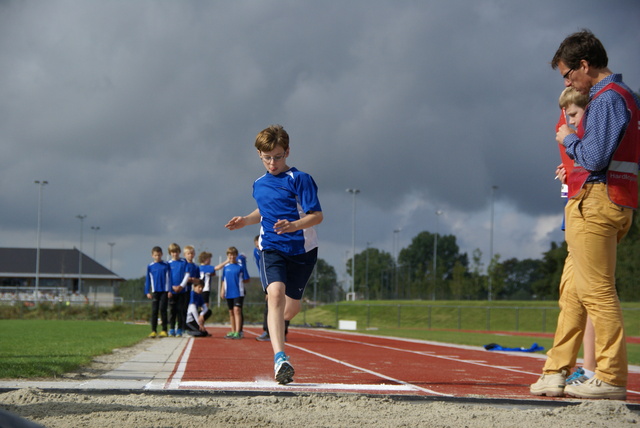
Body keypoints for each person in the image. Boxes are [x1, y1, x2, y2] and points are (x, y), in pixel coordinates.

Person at [530, 30, 640, 400]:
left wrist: (566, 140)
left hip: (596, 202)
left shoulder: (608, 99)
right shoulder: (630, 98)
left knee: (596, 293)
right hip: (616, 200)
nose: (566, 83)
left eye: (567, 74)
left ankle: (609, 377)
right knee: (573, 293)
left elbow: (594, 158)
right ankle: (555, 371)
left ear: (584, 65)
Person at [225, 124, 323, 385]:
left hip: (303, 250)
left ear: (287, 152)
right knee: (275, 294)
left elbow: (317, 216)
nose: (272, 163)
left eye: (277, 157)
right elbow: (263, 210)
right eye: (267, 157)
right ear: (259, 154)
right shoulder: (258, 184)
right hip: (271, 247)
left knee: (290, 310)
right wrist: (245, 220)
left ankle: (275, 319)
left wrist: (293, 225)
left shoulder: (300, 179)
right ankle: (281, 357)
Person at [556, 87, 596, 386]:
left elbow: (596, 165)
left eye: (573, 115)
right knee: (573, 294)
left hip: (592, 212)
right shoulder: (578, 146)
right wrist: (567, 175)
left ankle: (594, 368)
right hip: (574, 211)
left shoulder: (591, 140)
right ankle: (579, 366)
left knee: (593, 293)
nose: (567, 122)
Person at [219, 246, 250, 339]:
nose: (231, 256)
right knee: (231, 312)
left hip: (238, 292)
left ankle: (238, 332)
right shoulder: (226, 267)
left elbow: (246, 279)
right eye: (229, 255)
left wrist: (240, 281)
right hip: (228, 292)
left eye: (233, 255)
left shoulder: (240, 266)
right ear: (227, 256)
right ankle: (232, 330)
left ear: (236, 255)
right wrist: (222, 290)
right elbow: (223, 280)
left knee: (237, 310)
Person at [144, 246, 171, 338]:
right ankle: (153, 330)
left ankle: (164, 330)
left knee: (163, 309)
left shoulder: (166, 265)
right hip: (155, 291)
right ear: (152, 255)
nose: (157, 257)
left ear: (162, 254)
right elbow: (148, 279)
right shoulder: (150, 266)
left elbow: (169, 278)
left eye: (159, 255)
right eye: (155, 255)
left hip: (164, 291)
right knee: (154, 311)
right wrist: (147, 291)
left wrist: (170, 290)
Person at [167, 243, 189, 337]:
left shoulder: (184, 262)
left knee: (180, 310)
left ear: (179, 252)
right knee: (172, 310)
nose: (174, 254)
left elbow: (187, 275)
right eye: (172, 252)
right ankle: (172, 328)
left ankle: (179, 329)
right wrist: (170, 288)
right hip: (172, 291)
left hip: (182, 291)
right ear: (170, 253)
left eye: (176, 252)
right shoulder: (168, 264)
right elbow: (167, 277)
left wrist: (181, 286)